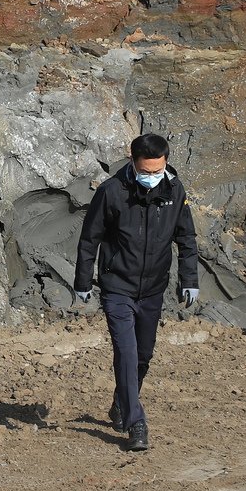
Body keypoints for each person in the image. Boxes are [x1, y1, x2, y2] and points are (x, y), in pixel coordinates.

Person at [73, 134, 200, 453]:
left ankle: (121, 402)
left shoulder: (174, 190)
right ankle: (136, 422)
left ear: (166, 163)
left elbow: (186, 238)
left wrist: (189, 278)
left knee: (143, 356)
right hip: (118, 287)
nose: (152, 178)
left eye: (158, 171)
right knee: (127, 354)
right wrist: (83, 282)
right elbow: (90, 238)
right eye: (146, 171)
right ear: (132, 163)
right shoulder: (111, 191)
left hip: (153, 289)